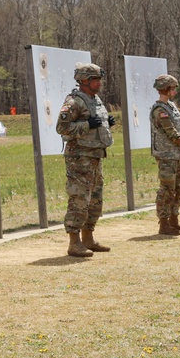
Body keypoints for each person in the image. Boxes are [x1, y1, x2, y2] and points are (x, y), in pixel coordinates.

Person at [56, 62, 115, 257]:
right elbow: (62, 128)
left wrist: (106, 124)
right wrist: (86, 125)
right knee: (79, 199)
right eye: (95, 79)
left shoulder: (95, 100)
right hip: (79, 158)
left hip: (95, 157)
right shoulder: (74, 102)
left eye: (99, 79)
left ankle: (88, 238)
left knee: (95, 201)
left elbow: (96, 123)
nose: (99, 83)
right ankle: (74, 243)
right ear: (84, 81)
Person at [149, 74, 180, 235]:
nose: (174, 91)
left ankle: (174, 220)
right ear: (165, 89)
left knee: (179, 188)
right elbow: (170, 131)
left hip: (177, 154)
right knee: (167, 189)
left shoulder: (172, 106)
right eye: (172, 89)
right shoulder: (160, 109)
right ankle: (164, 223)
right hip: (166, 154)